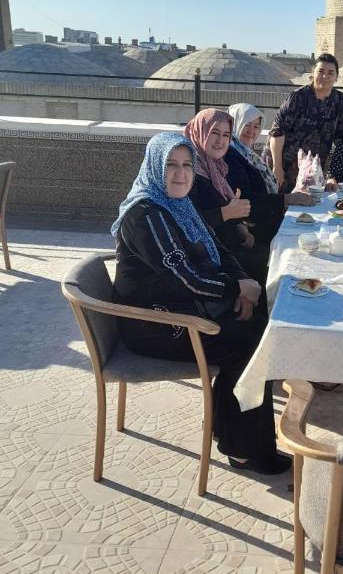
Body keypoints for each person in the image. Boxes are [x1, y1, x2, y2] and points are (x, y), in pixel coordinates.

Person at [112, 131, 290, 474]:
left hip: (185, 305)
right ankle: (243, 448)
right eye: (170, 166)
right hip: (156, 323)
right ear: (154, 168)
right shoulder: (146, 215)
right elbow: (185, 277)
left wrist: (243, 283)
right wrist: (238, 292)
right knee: (251, 342)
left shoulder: (178, 204)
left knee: (258, 324)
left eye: (186, 165)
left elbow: (217, 251)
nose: (180, 174)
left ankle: (235, 436)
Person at [183, 108, 268, 284]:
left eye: (226, 135)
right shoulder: (187, 172)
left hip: (228, 247)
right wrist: (227, 213)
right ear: (200, 131)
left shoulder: (215, 166)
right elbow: (185, 224)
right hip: (209, 260)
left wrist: (238, 226)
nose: (221, 141)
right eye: (214, 132)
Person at [226, 103, 317, 242]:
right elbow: (247, 200)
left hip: (266, 220)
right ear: (235, 124)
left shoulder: (246, 154)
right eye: (247, 124)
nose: (252, 131)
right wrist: (287, 199)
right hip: (253, 231)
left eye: (256, 126)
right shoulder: (231, 156)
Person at [265, 53, 343, 192]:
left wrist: (333, 174)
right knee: (280, 207)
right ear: (313, 73)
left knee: (309, 209)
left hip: (312, 169)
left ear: (336, 76)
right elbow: (278, 131)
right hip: (284, 165)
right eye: (321, 71)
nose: (325, 76)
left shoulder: (340, 101)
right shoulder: (298, 97)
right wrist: (277, 167)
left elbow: (340, 140)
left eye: (330, 73)